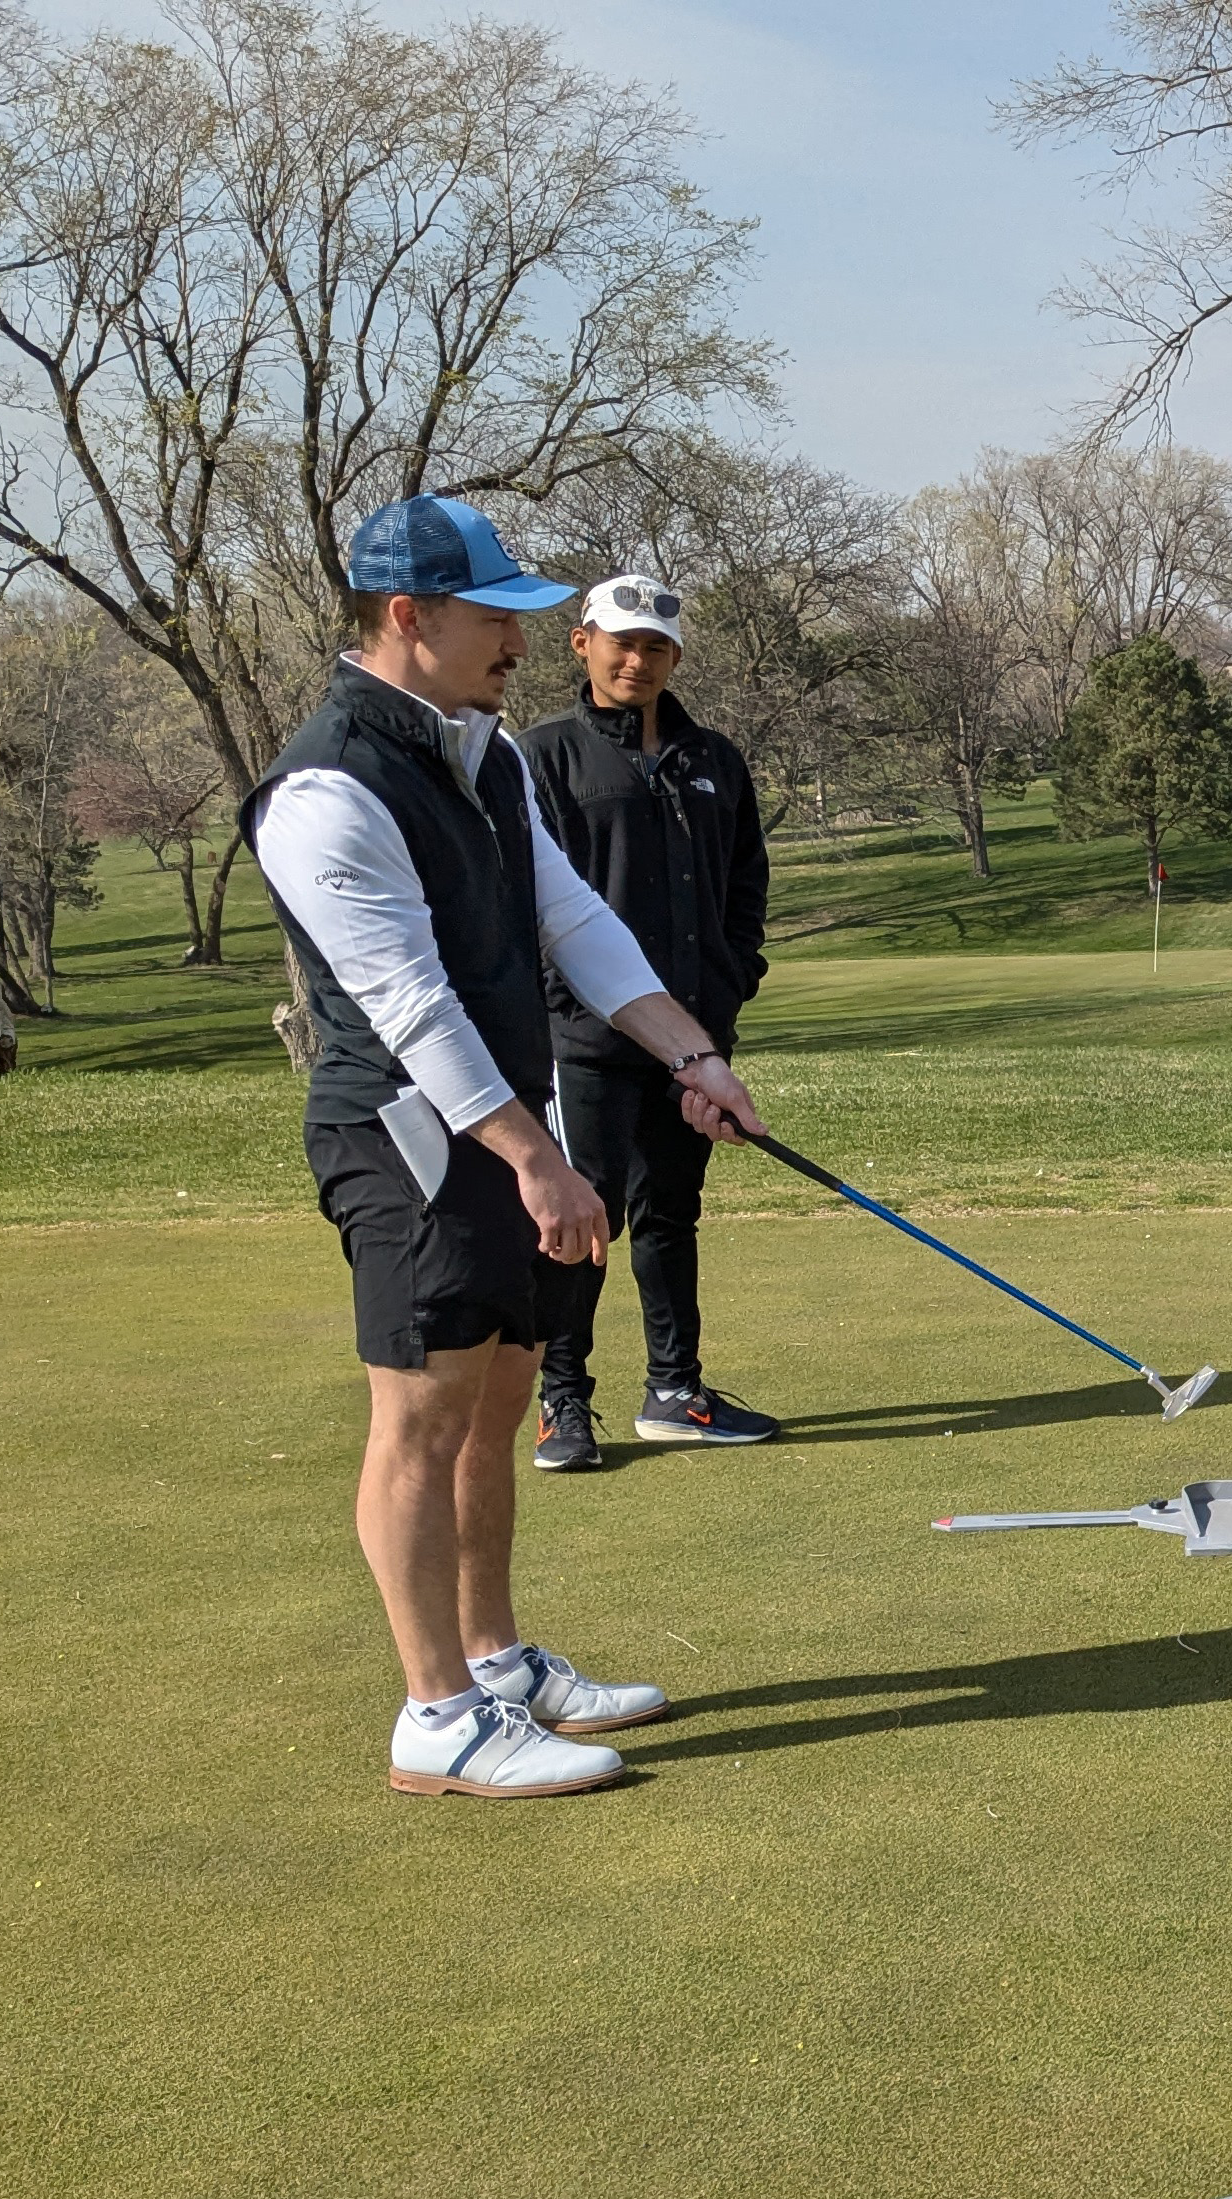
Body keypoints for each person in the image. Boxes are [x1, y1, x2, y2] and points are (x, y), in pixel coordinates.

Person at [241, 494, 763, 1799]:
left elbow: (571, 916)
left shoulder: (484, 753)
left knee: (496, 1399)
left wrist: (690, 1053)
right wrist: (540, 1160)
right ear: (408, 617)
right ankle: (436, 1714)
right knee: (421, 1419)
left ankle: (493, 1661)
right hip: (404, 1137)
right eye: (496, 619)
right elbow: (410, 1005)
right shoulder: (324, 789)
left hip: (503, 1112)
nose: (523, 645)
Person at [519, 575, 777, 1471]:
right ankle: (562, 1399)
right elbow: (529, 906)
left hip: (694, 1041)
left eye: (655, 646)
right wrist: (562, 1007)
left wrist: (729, 983)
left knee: (671, 1213)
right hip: (585, 1041)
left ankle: (675, 1390)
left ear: (675, 656)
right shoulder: (542, 756)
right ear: (583, 643)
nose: (637, 660)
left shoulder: (714, 758)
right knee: (582, 1217)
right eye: (621, 642)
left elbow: (745, 886)